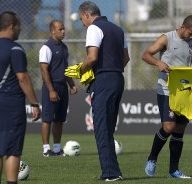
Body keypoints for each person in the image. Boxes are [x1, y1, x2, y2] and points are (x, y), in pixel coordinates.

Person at [141, 15, 192, 179]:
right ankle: (152, 158)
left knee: (179, 130)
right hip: (166, 88)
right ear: (183, 27)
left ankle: (174, 170)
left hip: (184, 90)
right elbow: (146, 55)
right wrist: (158, 63)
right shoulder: (166, 38)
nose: (191, 37)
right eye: (190, 34)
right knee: (168, 127)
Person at [78, 1, 130, 181]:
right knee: (107, 128)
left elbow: (92, 57)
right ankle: (113, 171)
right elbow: (126, 58)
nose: (82, 23)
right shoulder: (118, 30)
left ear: (86, 14)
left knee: (101, 128)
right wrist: (113, 68)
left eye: (81, 19)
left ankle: (111, 173)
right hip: (117, 78)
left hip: (104, 80)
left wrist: (80, 70)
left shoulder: (93, 28)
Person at [0, 11, 41, 184]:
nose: (20, 29)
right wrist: (34, 102)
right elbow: (22, 78)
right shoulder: (14, 49)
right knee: (13, 149)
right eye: (19, 26)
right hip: (10, 104)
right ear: (11, 26)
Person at [39, 20, 77, 157]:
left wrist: (71, 84)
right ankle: (45, 149)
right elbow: (44, 70)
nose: (63, 31)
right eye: (60, 29)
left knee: (59, 119)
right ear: (52, 31)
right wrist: (51, 90)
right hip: (52, 86)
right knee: (47, 118)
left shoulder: (64, 47)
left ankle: (56, 148)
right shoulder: (46, 48)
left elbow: (66, 69)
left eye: (64, 29)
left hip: (62, 87)